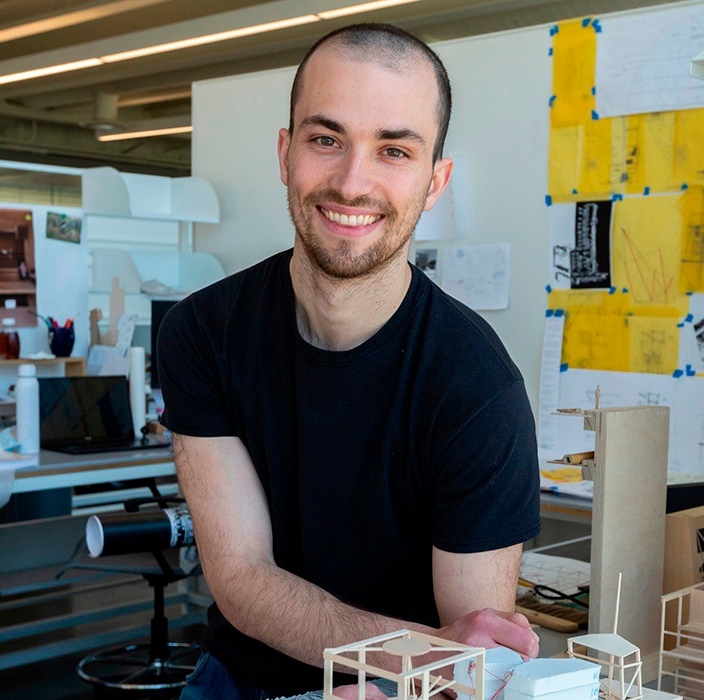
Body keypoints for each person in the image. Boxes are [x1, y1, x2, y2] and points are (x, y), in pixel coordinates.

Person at [157, 23, 541, 700]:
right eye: (326, 139)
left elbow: (470, 652)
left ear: (434, 181)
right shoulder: (204, 331)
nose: (351, 181)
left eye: (394, 150)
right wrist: (414, 652)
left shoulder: (477, 385)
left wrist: (402, 669)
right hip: (239, 680)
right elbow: (242, 578)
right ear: (285, 153)